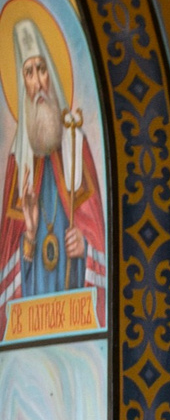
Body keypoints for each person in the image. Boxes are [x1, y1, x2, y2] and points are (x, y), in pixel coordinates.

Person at [0, 18, 105, 325]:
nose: (38, 83)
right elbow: (7, 265)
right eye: (29, 73)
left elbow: (99, 237)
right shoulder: (17, 163)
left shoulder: (75, 145)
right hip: (32, 319)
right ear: (23, 85)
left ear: (51, 74)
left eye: (42, 69)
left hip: (75, 312)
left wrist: (85, 246)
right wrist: (30, 235)